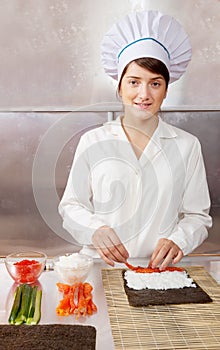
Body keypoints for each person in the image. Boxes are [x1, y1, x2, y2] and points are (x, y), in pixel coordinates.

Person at [59, 11, 212, 270]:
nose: (144, 94)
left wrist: (179, 240)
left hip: (160, 272)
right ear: (119, 87)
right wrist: (95, 230)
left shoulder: (187, 145)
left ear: (166, 90)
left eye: (155, 83)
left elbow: (198, 215)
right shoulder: (93, 141)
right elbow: (72, 206)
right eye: (134, 82)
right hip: (101, 269)